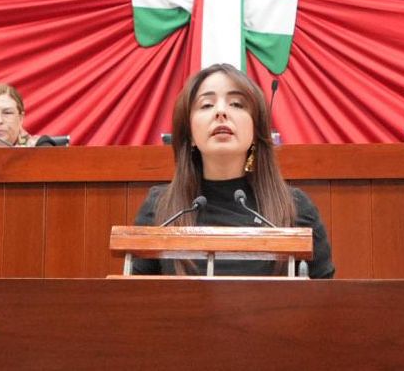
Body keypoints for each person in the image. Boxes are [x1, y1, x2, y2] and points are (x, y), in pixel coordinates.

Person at [132, 63, 334, 277]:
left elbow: (325, 302)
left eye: (237, 104)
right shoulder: (160, 208)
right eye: (207, 105)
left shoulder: (295, 209)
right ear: (189, 132)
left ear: (256, 130)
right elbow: (133, 301)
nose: (221, 112)